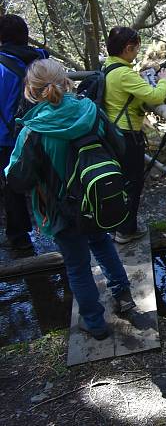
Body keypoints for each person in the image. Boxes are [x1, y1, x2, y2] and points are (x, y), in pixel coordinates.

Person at [5, 59, 135, 340]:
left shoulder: (33, 130)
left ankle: (95, 324)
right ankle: (124, 297)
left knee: (77, 266)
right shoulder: (91, 111)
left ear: (30, 90)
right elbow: (120, 147)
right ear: (67, 82)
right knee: (102, 243)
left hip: (61, 211)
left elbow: (18, 179)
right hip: (97, 201)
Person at [103, 27, 166, 244]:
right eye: (136, 49)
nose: (137, 53)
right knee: (133, 183)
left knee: (121, 182)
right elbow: (156, 96)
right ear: (128, 48)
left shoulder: (108, 67)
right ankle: (126, 231)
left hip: (112, 133)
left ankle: (117, 227)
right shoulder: (124, 74)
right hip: (128, 135)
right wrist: (163, 79)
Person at [0, 14, 48, 251]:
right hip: (42, 130)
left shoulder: (1, 67)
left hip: (8, 137)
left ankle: (20, 239)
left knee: (13, 186)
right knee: (49, 178)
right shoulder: (39, 61)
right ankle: (60, 227)